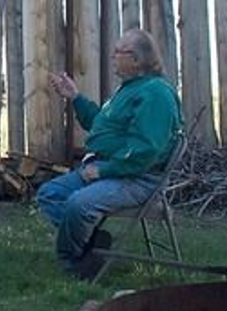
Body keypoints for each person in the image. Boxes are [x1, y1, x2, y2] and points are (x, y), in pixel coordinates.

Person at [37, 29, 183, 281]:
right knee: (50, 194)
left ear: (136, 60)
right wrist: (75, 97)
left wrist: (104, 170)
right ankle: (92, 245)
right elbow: (99, 126)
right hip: (111, 166)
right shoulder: (128, 89)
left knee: (78, 204)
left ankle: (73, 262)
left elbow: (146, 149)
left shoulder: (155, 93)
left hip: (138, 177)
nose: (113, 56)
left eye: (118, 52)